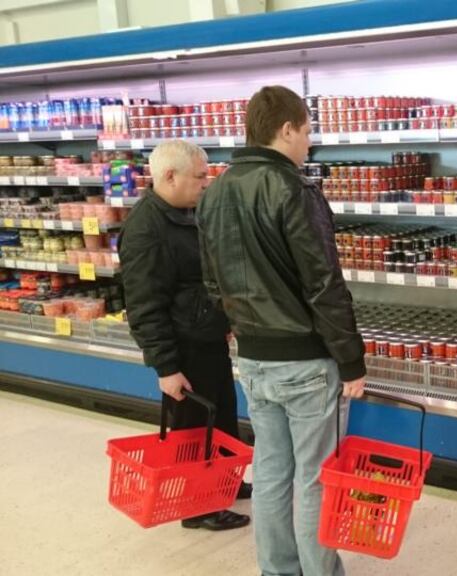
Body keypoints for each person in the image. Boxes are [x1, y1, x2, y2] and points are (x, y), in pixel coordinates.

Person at [197, 85, 366, 576]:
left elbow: (211, 278)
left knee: (271, 471)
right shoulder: (294, 189)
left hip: (251, 358)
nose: (310, 142)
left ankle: (278, 571)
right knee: (315, 478)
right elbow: (323, 284)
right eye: (308, 131)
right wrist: (351, 360)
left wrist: (236, 326)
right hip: (306, 362)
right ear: (286, 129)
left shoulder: (217, 189)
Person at [119, 140, 251, 532]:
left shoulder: (183, 212)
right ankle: (199, 507)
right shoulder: (146, 229)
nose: (206, 183)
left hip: (205, 336)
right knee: (195, 428)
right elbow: (144, 306)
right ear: (169, 175)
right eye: (199, 177)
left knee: (221, 416)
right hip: (184, 348)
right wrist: (166, 367)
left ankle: (222, 483)